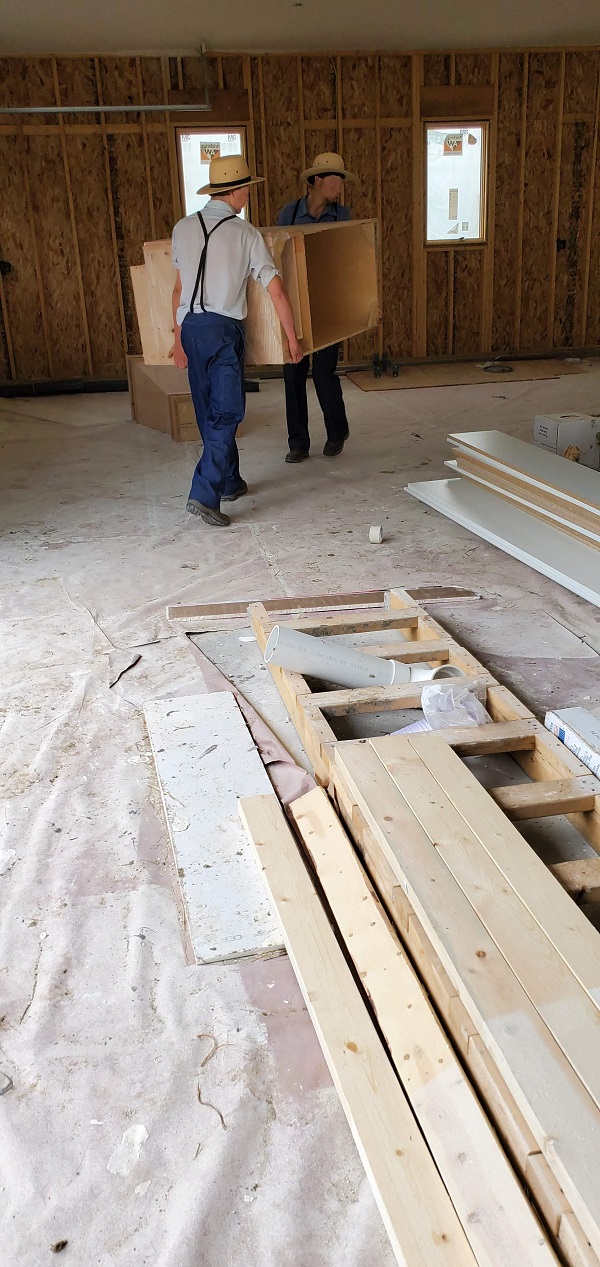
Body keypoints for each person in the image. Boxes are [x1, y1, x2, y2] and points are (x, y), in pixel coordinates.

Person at [171, 154, 303, 528]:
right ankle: (205, 493)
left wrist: (178, 340)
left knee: (207, 408)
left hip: (191, 328)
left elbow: (178, 289)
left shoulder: (182, 228)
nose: (248, 194)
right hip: (222, 331)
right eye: (247, 188)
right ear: (236, 191)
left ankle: (229, 480)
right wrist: (292, 339)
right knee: (227, 410)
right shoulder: (246, 234)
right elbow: (276, 290)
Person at [277, 151, 356, 464]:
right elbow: (277, 256)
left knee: (324, 373)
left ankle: (337, 432)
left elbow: (352, 259)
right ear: (318, 181)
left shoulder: (342, 215)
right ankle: (298, 443)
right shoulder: (289, 213)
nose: (340, 186)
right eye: (336, 179)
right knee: (293, 373)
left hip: (327, 306)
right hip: (294, 306)